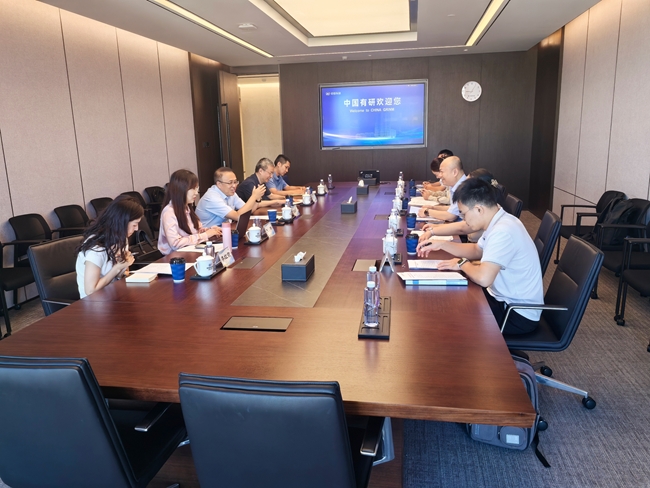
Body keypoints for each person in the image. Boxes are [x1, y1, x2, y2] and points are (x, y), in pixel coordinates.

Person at [417, 178, 543, 334]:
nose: (464, 220)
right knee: (451, 298)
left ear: (478, 209)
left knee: (450, 315)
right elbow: (477, 250)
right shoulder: (499, 221)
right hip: (502, 299)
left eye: (464, 214)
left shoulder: (502, 231)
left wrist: (462, 263)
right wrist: (442, 244)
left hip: (516, 313)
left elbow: (484, 278)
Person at [75, 196, 143, 299]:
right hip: (94, 303)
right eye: (134, 224)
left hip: (115, 295)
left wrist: (123, 266)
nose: (137, 228)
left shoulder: (121, 239)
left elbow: (121, 276)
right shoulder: (96, 248)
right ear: (122, 222)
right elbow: (90, 290)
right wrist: (117, 268)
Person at [418, 169, 507, 242]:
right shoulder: (491, 208)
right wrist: (435, 230)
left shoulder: (498, 229)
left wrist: (434, 230)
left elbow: (463, 228)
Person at [158, 169, 221, 255]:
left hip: (190, 252)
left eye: (197, 188)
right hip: (174, 257)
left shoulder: (187, 207)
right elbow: (175, 244)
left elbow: (195, 231)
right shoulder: (169, 212)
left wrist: (211, 231)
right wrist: (205, 235)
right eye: (193, 189)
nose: (196, 193)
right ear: (180, 189)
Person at [196, 167, 266, 227]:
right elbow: (238, 216)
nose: (234, 186)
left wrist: (257, 199)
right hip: (208, 235)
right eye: (230, 182)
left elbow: (248, 210)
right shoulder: (212, 197)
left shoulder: (231, 193)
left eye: (235, 182)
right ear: (219, 184)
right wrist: (254, 196)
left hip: (223, 231)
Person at [417, 156, 467, 221]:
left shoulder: (465, 188)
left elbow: (451, 216)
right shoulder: (455, 186)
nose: (439, 176)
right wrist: (433, 208)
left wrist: (427, 212)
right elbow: (452, 209)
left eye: (442, 172)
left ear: (454, 172)